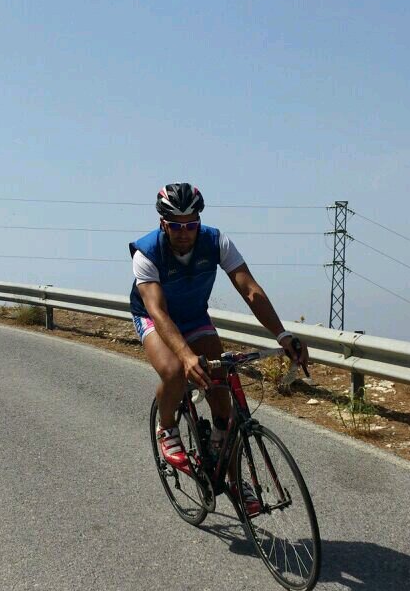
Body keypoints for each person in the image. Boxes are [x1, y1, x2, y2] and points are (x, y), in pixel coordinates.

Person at [130, 182, 309, 515]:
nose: (184, 232)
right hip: (156, 319)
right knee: (173, 371)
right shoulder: (147, 253)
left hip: (195, 317)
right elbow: (157, 310)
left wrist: (282, 335)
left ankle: (230, 475)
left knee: (223, 404)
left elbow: (250, 290)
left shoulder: (217, 242)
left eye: (191, 224)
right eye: (176, 226)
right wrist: (184, 356)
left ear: (199, 220)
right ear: (162, 224)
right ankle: (167, 428)